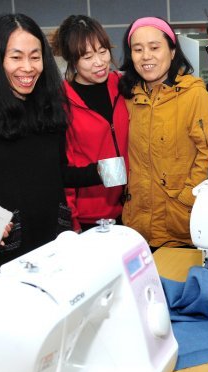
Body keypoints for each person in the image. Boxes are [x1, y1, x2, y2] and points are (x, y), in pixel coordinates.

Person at [0, 13, 103, 287]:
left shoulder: (49, 104)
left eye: (35, 56)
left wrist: (101, 172)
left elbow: (55, 173)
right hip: (3, 247)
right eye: (16, 57)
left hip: (53, 242)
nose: (28, 67)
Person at [118, 17, 208, 249]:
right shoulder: (127, 97)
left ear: (172, 51)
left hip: (180, 224)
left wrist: (188, 197)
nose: (146, 56)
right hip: (135, 226)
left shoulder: (194, 95)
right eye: (137, 49)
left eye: (154, 47)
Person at [51, 15, 129, 232]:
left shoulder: (123, 86)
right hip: (90, 217)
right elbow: (61, 170)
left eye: (102, 51)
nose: (99, 62)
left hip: (132, 209)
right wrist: (72, 221)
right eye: (87, 57)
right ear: (72, 60)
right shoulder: (61, 101)